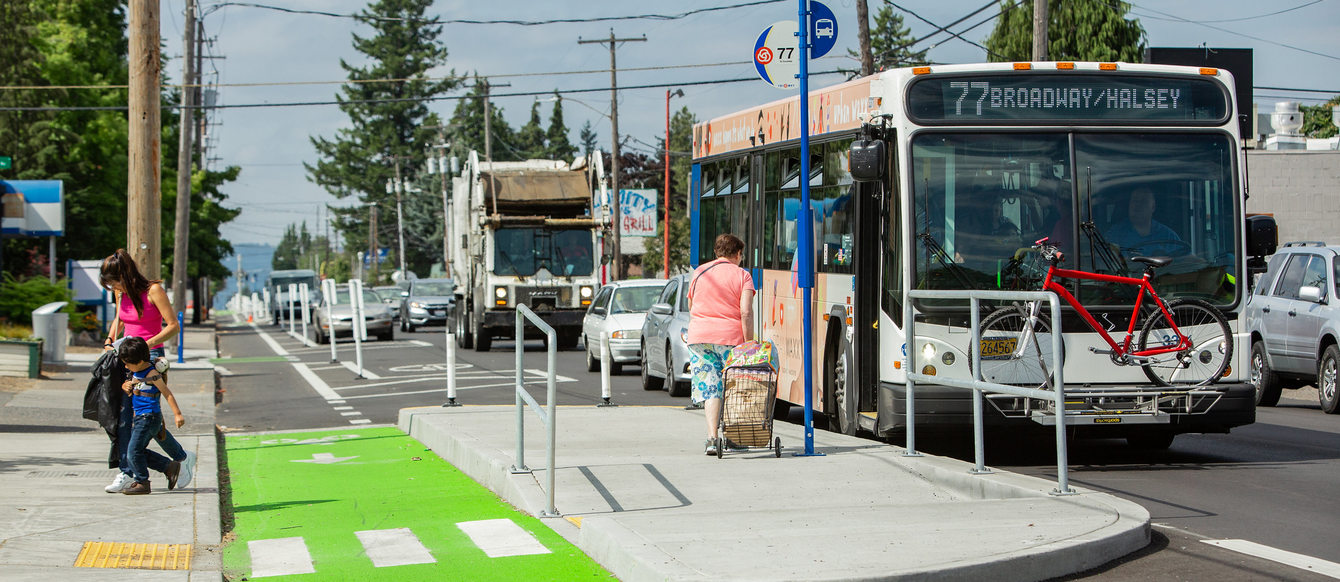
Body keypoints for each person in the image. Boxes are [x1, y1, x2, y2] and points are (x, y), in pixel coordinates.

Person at [100, 249, 195, 494]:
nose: (112, 287)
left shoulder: (153, 291)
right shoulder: (121, 294)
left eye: (114, 282)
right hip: (125, 356)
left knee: (144, 418)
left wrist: (146, 345)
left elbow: (173, 326)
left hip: (149, 357)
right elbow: (119, 320)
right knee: (135, 419)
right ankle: (178, 460)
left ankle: (135, 469)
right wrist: (111, 339)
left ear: (126, 274)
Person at [685, 233, 755, 455]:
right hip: (730, 339)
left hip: (699, 339)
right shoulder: (743, 275)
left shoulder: (699, 272)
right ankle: (733, 437)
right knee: (734, 386)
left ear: (716, 252)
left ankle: (712, 438)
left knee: (711, 388)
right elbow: (745, 312)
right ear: (737, 254)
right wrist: (749, 342)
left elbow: (691, 303)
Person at [116, 337, 186, 495]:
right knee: (135, 451)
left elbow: (167, 394)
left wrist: (177, 414)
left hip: (149, 417)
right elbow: (131, 388)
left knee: (133, 452)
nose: (126, 366)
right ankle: (168, 467)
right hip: (141, 417)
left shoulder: (152, 373)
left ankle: (142, 482)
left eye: (127, 363)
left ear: (140, 360)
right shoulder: (136, 372)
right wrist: (125, 385)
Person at [1105, 187, 1183, 257]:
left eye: (1143, 201)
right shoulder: (1115, 234)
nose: (1137, 204)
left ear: (1153, 207)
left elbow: (1186, 262)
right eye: (1135, 201)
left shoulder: (1169, 236)